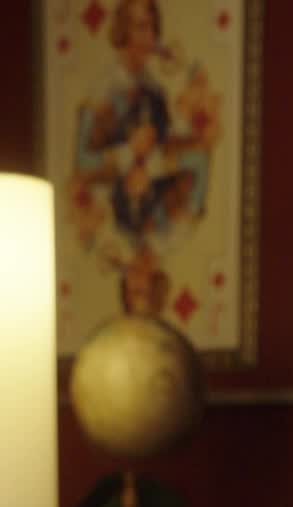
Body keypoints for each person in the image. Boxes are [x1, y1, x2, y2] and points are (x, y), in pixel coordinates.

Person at [69, 1, 217, 310]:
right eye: (140, 28)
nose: (150, 38)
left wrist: (151, 170)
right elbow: (82, 164)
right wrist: (128, 153)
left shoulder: (156, 89)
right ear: (123, 32)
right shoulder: (103, 90)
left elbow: (189, 157)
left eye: (152, 28)